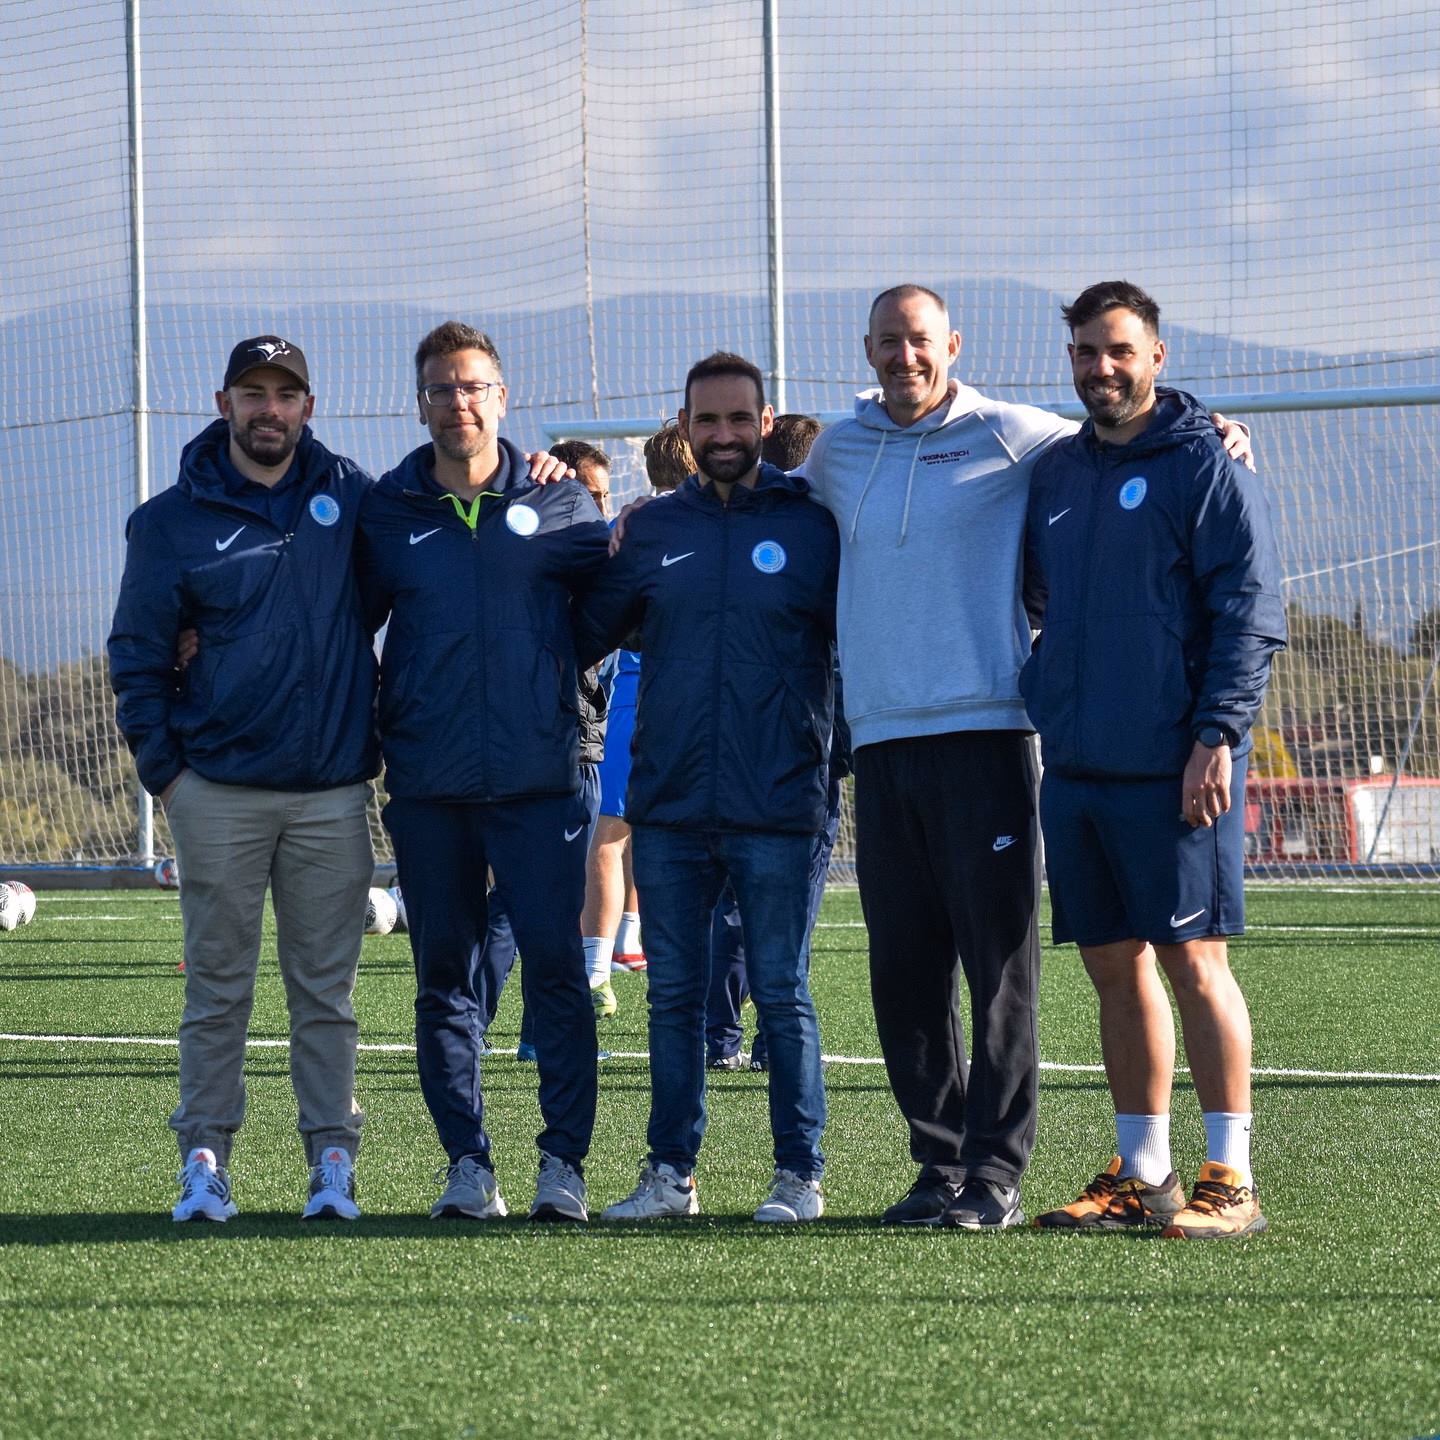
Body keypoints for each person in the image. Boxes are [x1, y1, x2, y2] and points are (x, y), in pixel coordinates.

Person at [796, 284, 1255, 1229]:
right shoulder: (837, 452)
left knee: (1005, 970)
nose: (905, 357)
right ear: (868, 348)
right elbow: (763, 494)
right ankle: (944, 1164)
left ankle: (1002, 1174)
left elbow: (1138, 434)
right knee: (909, 972)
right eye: (888, 342)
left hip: (994, 736)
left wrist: (1215, 428)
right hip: (882, 742)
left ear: (952, 345)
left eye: (920, 341)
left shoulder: (1017, 433)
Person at [1021, 281, 1285, 1238]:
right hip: (1080, 765)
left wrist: (1215, 737)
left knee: (1193, 959)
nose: (1102, 368)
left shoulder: (1206, 464)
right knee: (1112, 964)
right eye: (1087, 352)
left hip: (1178, 764)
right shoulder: (1057, 472)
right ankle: (1144, 1174)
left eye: (1119, 350)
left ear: (1157, 356)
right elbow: (1042, 596)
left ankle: (1234, 1178)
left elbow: (1249, 614)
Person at [109, 336, 378, 1224]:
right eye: (254, 393)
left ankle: (332, 1165)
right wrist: (168, 778)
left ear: (308, 404)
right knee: (217, 987)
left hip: (332, 790)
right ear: (223, 402)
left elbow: (424, 563)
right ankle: (203, 1165)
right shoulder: (167, 521)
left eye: (287, 394)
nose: (271, 409)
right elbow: (138, 655)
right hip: (214, 791)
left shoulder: (352, 497)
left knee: (325, 994)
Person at [574, 353, 840, 1223]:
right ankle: (669, 1176)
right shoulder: (650, 531)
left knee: (784, 992)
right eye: (706, 421)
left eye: (738, 420)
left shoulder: (816, 524)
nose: (723, 435)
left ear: (765, 424)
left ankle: (799, 1176)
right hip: (674, 802)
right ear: (682, 429)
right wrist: (584, 528)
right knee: (675, 998)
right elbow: (580, 628)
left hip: (781, 800)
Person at [356, 321, 611, 1223]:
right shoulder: (387, 511)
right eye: (439, 389)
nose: (456, 402)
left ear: (501, 398)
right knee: (444, 980)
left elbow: (615, 599)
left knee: (553, 974)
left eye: (472, 387)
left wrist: (546, 663)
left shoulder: (564, 502)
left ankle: (562, 1167)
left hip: (540, 782)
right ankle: (468, 1166)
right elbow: (342, 622)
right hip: (428, 784)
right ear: (418, 403)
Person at [705, 413, 845, 1075]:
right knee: (787, 912)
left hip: (733, 753)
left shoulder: (734, 536)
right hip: (803, 764)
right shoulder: (822, 542)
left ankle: (720, 1035)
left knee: (733, 907)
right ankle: (770, 1041)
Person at [475, 438, 613, 1060]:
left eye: (606, 497)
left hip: (563, 747)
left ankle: (494, 1027)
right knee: (536, 903)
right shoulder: (561, 566)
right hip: (564, 751)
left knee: (526, 900)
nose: (601, 509)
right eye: (593, 495)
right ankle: (513, 1029)